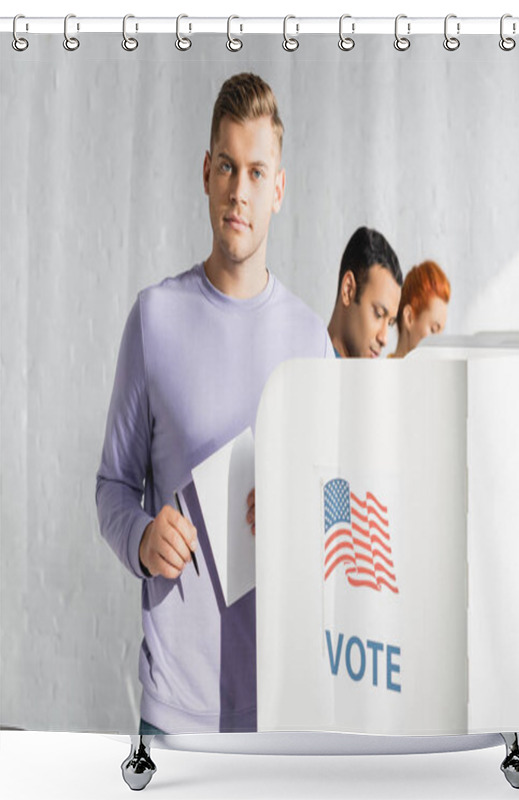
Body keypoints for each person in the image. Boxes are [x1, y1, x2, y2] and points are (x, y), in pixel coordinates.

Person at [96, 73, 333, 735]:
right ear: (206, 171)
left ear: (278, 189)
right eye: (227, 166)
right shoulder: (155, 318)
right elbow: (112, 484)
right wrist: (142, 536)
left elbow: (342, 500)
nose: (239, 189)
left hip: (289, 704)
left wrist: (302, 509)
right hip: (176, 706)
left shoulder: (311, 338)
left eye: (257, 172)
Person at [327, 226, 403, 358]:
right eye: (378, 314)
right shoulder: (307, 371)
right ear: (348, 290)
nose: (384, 339)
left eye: (390, 323)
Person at [391, 260, 451, 358]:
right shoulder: (379, 371)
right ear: (409, 317)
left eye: (440, 335)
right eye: (434, 330)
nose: (439, 345)